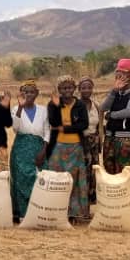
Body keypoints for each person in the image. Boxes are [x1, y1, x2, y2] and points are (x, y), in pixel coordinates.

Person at [45, 76, 90, 220]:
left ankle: (73, 213)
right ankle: (56, 211)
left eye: (70, 87)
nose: (67, 91)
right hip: (57, 147)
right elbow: (53, 123)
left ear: (74, 88)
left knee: (73, 181)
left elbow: (84, 124)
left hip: (76, 148)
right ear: (59, 89)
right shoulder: (53, 104)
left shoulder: (80, 105)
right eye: (64, 88)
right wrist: (56, 106)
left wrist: (65, 129)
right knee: (56, 180)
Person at [9, 80, 50, 223]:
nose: (29, 95)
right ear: (21, 94)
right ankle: (22, 214)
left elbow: (47, 131)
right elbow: (15, 128)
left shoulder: (43, 110)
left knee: (38, 179)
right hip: (21, 148)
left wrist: (43, 150)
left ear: (37, 93)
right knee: (21, 179)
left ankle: (38, 213)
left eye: (32, 92)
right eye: (26, 92)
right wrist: (20, 108)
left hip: (38, 148)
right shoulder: (15, 109)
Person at [101, 59, 130, 175]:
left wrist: (111, 115)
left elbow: (128, 112)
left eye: (124, 73)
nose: (120, 75)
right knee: (109, 171)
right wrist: (114, 91)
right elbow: (103, 107)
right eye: (118, 72)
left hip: (125, 139)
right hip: (109, 137)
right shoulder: (115, 92)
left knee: (123, 173)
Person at [78, 76, 101, 204]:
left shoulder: (96, 105)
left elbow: (99, 126)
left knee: (94, 170)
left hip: (94, 143)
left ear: (92, 89)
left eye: (89, 87)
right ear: (79, 89)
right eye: (83, 88)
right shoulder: (75, 105)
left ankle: (91, 197)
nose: (86, 90)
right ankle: (82, 200)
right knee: (83, 170)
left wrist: (99, 142)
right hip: (81, 142)